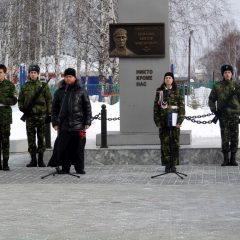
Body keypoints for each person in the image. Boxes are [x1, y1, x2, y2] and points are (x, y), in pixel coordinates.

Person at [51, 68, 92, 174]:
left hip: (78, 125)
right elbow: (54, 109)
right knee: (65, 148)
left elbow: (87, 107)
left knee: (78, 148)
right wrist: (55, 123)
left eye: (70, 76)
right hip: (64, 125)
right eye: (66, 76)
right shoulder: (60, 92)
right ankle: (65, 168)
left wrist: (87, 121)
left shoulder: (81, 91)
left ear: (74, 77)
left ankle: (79, 168)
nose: (68, 78)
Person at [18, 64, 52, 167]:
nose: (33, 74)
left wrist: (49, 114)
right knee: (31, 138)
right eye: (31, 72)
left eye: (35, 73)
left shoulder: (43, 86)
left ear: (38, 74)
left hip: (41, 116)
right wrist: (22, 108)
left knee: (41, 137)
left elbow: (49, 100)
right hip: (29, 116)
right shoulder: (25, 86)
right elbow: (20, 100)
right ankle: (33, 160)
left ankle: (41, 160)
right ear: (29, 74)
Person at [153, 72, 185, 173]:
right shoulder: (160, 92)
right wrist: (157, 121)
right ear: (164, 80)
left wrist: (180, 120)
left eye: (170, 78)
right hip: (163, 122)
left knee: (175, 143)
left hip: (175, 122)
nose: (168, 79)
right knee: (165, 144)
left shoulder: (178, 91)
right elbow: (156, 108)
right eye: (166, 78)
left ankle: (174, 165)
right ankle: (167, 165)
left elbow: (182, 107)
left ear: (172, 80)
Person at [209, 64, 240, 166]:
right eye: (225, 72)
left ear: (232, 74)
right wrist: (214, 110)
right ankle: (226, 159)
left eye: (229, 72)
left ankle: (233, 159)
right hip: (223, 116)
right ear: (223, 74)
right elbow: (211, 99)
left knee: (235, 137)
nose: (227, 74)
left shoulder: (237, 86)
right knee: (225, 137)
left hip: (234, 116)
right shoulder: (217, 86)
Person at [0, 64, 17, 171]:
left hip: (5, 117)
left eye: (0, 72)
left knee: (5, 140)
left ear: (4, 73)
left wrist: (2, 100)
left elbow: (14, 100)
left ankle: (5, 163)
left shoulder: (10, 85)